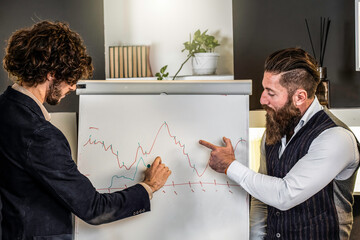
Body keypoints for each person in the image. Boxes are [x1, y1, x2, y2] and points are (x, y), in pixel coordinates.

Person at [0, 21, 171, 240]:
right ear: (52, 74)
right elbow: (94, 208)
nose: (72, 87)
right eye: (70, 78)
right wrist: (148, 187)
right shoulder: (41, 135)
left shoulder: (5, 108)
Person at [199, 48, 360, 240]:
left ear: (299, 97)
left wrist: (230, 166)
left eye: (271, 93)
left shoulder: (336, 137)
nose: (261, 99)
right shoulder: (274, 129)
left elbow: (285, 195)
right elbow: (261, 196)